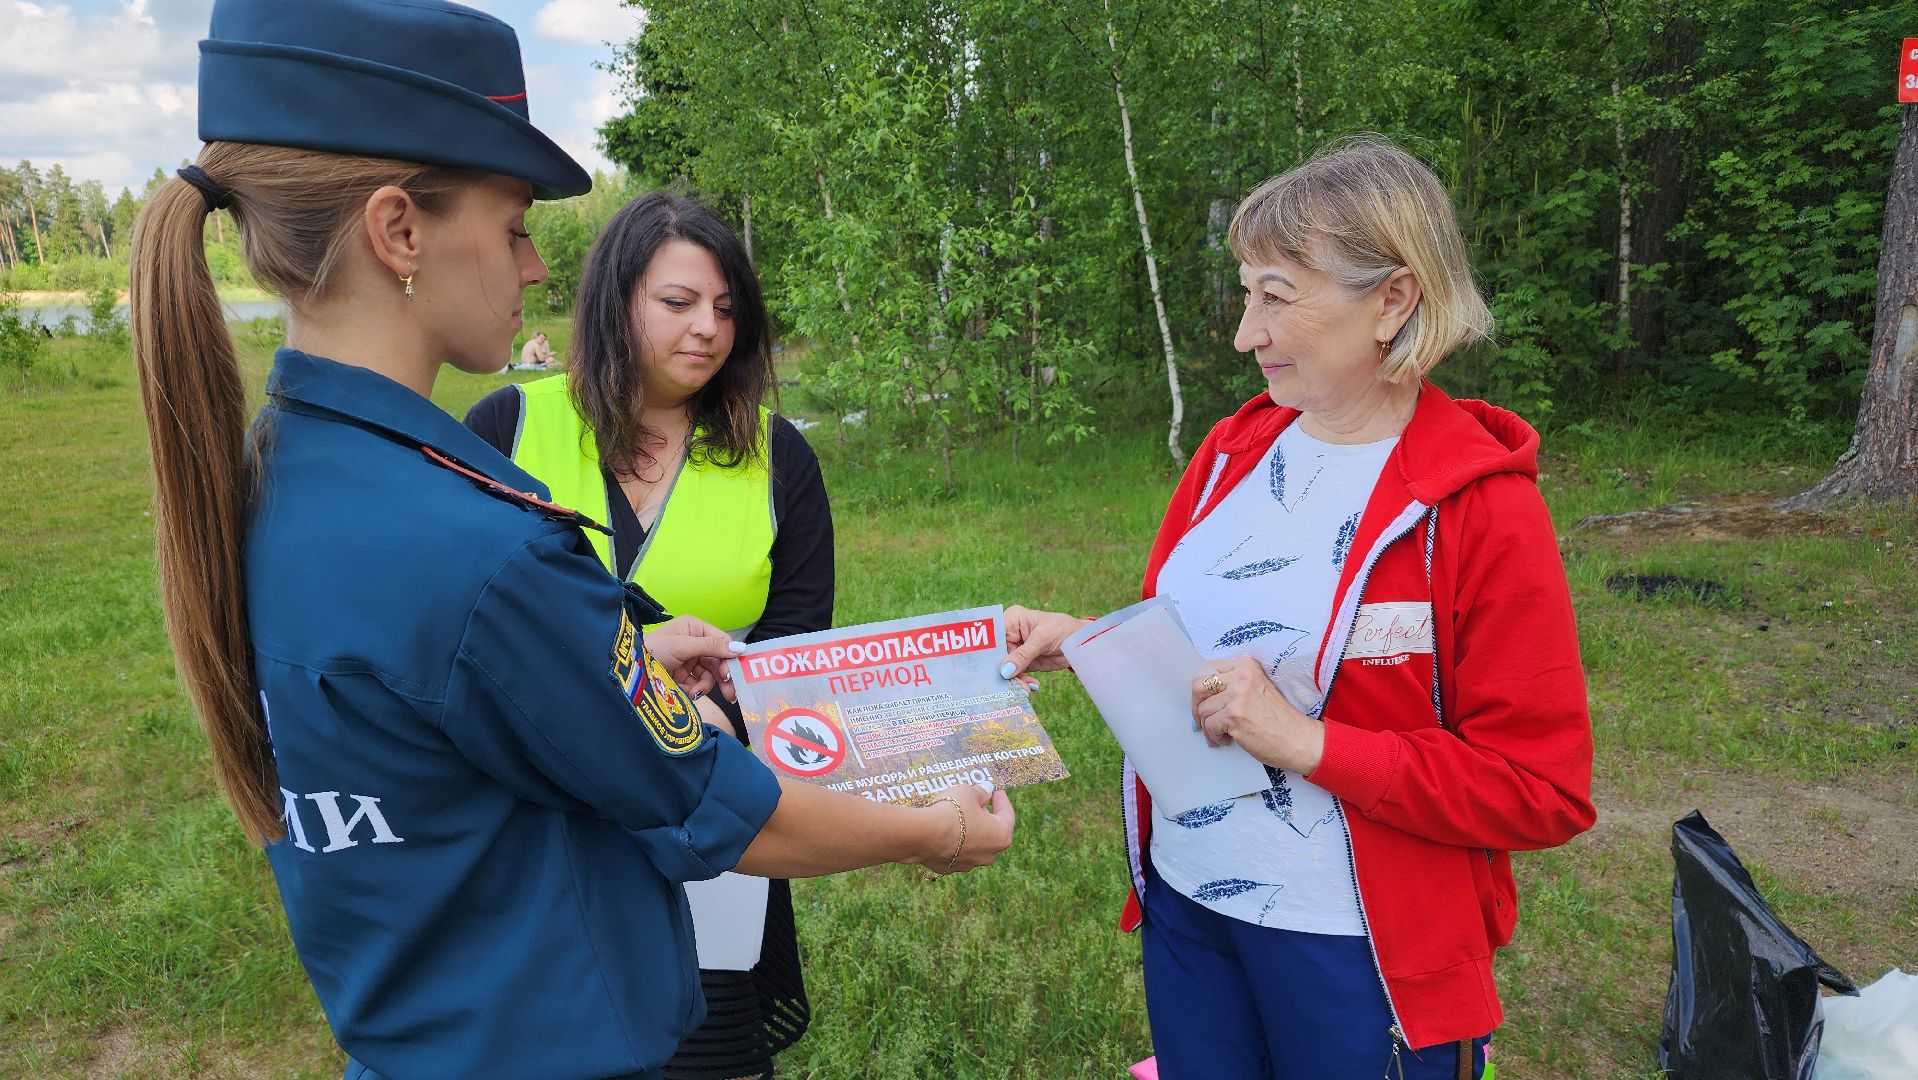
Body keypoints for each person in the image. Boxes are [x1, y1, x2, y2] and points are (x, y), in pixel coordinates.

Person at [127, 3, 1013, 1079]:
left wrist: (609, 663)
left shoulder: (288, 462)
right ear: (398, 230)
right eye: (510, 226)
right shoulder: (471, 547)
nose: (537, 268)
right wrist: (939, 833)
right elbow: (711, 810)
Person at [1002, 136, 1594, 1079]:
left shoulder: (1479, 508)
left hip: (1358, 949)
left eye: (1276, 296)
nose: (1245, 333)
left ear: (1393, 299)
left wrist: (1311, 743)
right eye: (1247, 293)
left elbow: (1541, 790)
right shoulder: (1234, 452)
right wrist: (1088, 643)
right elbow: (1195, 650)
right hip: (1190, 906)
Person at [464, 191, 832, 1080]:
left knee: (706, 1046)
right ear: (615, 300)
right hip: (542, 818)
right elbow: (464, 635)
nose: (707, 328)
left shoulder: (776, 454)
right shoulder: (508, 429)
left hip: (707, 801)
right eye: (678, 302)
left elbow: (793, 648)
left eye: (727, 308)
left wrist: (722, 723)